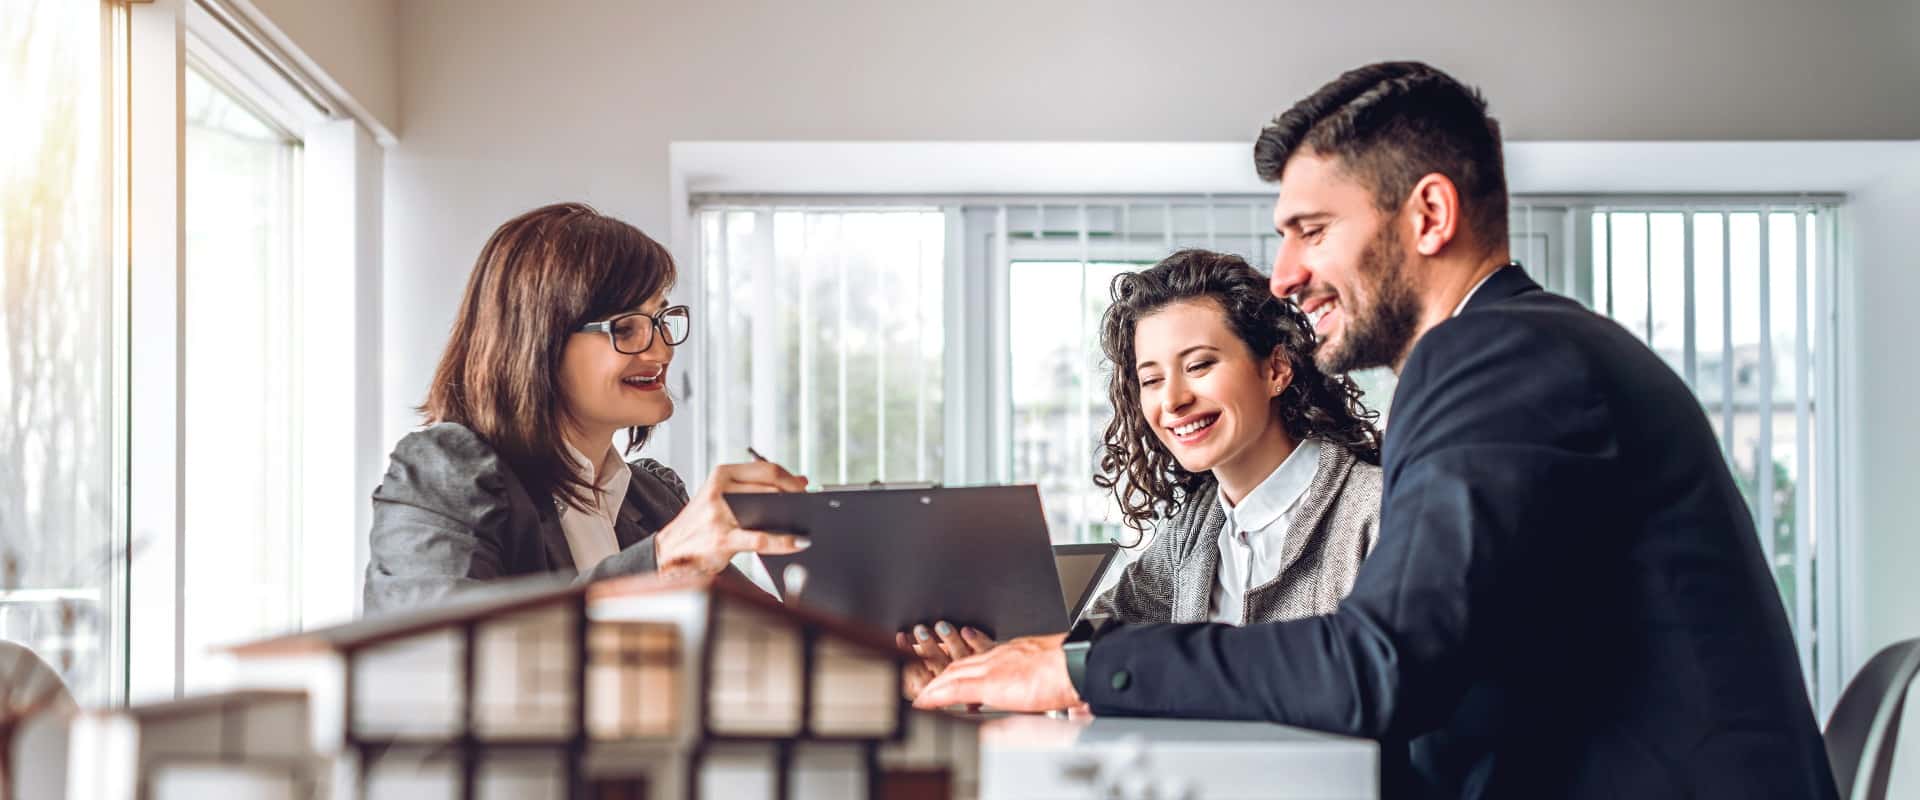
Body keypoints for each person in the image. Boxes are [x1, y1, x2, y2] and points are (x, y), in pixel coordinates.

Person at [913, 62, 1837, 799]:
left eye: (1312, 229)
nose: (1285, 274)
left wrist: (1085, 668)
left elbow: (1381, 663)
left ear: (1428, 214)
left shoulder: (1491, 357)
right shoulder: (1527, 349)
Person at [901, 249, 1385, 699]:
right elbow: (1098, 643)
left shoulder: (1372, 509)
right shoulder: (1196, 530)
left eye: (1199, 365)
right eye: (1151, 379)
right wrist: (992, 660)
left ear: (1276, 369)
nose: (1172, 400)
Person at [364, 202, 809, 613]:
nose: (661, 351)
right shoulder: (442, 472)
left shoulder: (652, 499)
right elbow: (443, 652)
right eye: (626, 327)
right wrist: (662, 559)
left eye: (660, 319)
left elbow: (778, 638)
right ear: (537, 340)